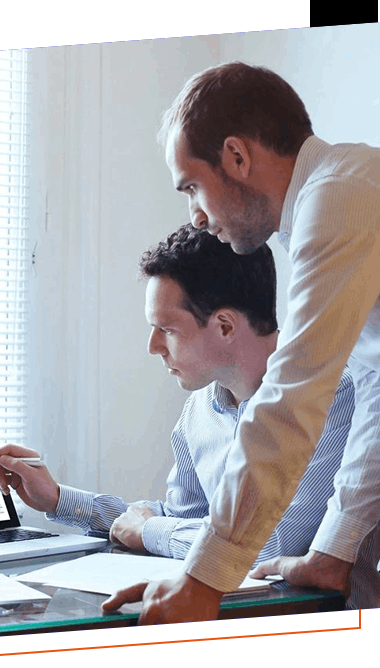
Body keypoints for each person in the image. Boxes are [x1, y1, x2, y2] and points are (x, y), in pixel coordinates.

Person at [103, 62, 380, 624]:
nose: (196, 217)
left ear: (236, 157)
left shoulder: (339, 199)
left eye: (192, 188)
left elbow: (291, 401)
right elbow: (378, 388)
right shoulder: (333, 202)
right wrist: (332, 551)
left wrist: (204, 579)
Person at [0, 226, 354, 572]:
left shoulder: (333, 396)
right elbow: (183, 523)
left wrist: (149, 532)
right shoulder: (200, 411)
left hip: (346, 627)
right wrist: (58, 499)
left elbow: (271, 547)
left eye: (167, 329)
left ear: (225, 326)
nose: (153, 347)